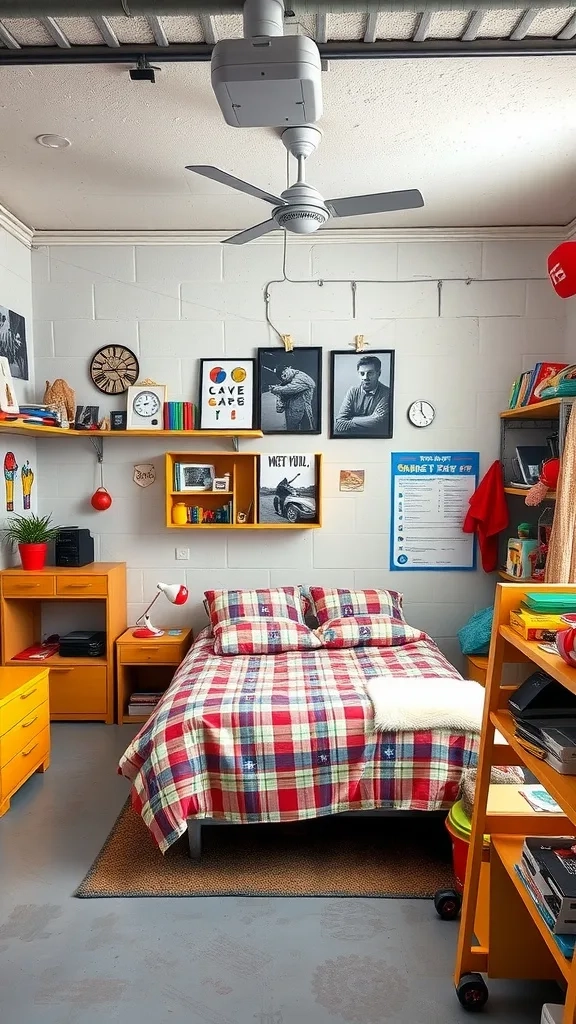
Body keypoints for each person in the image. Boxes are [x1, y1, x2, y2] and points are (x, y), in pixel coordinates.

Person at [335, 355, 390, 436]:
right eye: (362, 373)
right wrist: (369, 421)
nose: (365, 377)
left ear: (379, 373)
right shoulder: (353, 391)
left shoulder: (387, 393)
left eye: (370, 373)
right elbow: (340, 421)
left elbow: (378, 421)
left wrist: (352, 420)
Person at [268, 363, 316, 431]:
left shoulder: (301, 377)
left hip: (303, 411)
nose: (283, 377)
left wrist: (276, 389)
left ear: (288, 368)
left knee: (305, 430)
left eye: (284, 374)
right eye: (282, 376)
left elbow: (292, 388)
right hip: (293, 411)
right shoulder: (292, 378)